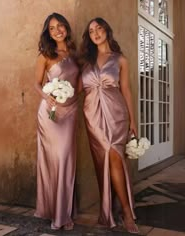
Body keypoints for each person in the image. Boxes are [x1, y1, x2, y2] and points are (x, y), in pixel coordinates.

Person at [79, 17, 139, 234]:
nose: (96, 33)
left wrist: (133, 120)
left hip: (117, 114)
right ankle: (111, 210)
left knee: (115, 155)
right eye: (92, 30)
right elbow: (76, 90)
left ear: (107, 31)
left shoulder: (120, 59)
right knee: (104, 160)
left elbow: (126, 91)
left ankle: (126, 212)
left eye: (99, 28)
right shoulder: (85, 62)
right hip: (92, 116)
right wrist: (53, 95)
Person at [34, 12, 79, 231]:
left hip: (70, 111)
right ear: (48, 33)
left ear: (66, 28)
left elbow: (80, 81)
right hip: (49, 113)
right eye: (52, 28)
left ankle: (63, 212)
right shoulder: (45, 54)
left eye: (60, 26)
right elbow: (36, 83)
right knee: (54, 159)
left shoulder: (75, 53)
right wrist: (47, 95)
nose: (57, 30)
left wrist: (78, 99)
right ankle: (57, 214)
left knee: (66, 159)